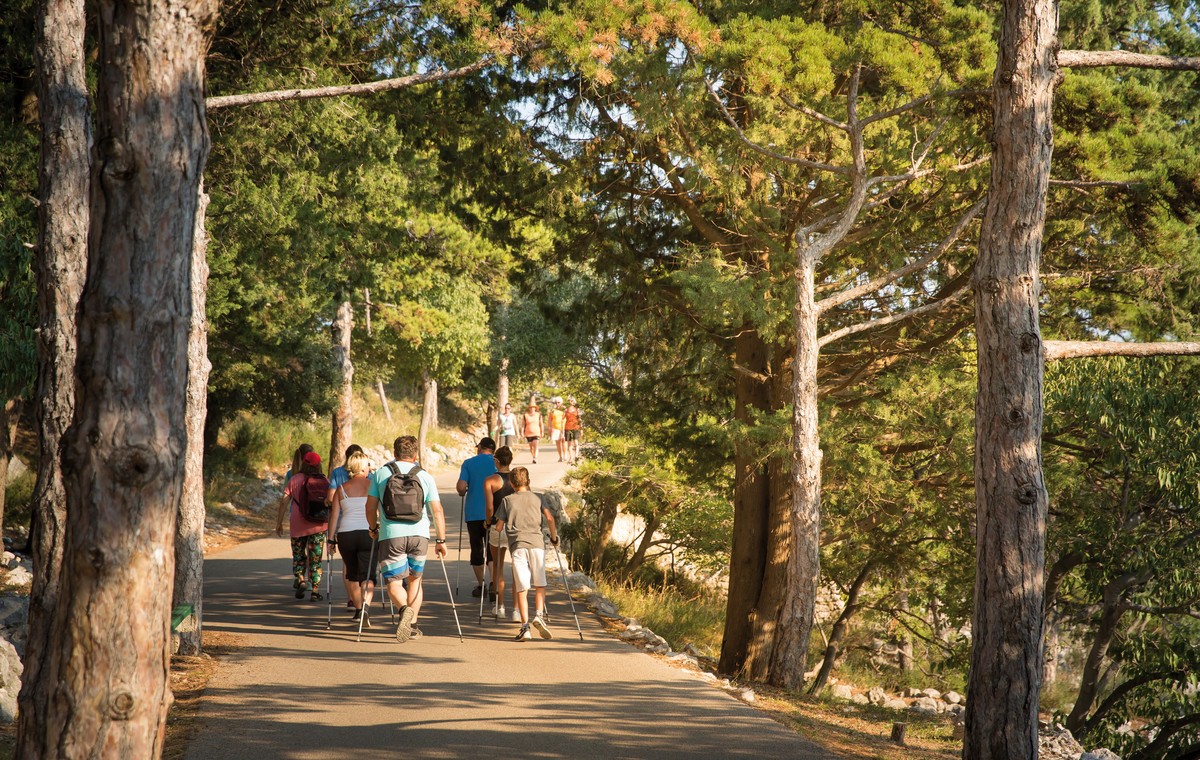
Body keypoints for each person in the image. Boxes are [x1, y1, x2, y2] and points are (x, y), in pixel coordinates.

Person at [366, 435, 447, 642]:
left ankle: (403, 610)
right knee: (415, 580)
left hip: (391, 534)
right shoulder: (424, 475)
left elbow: (370, 506)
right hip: (419, 534)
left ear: (395, 453)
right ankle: (411, 625)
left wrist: (373, 526)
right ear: (416, 454)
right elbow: (437, 511)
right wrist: (441, 540)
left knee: (394, 581)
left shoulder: (382, 473)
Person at [493, 466, 558, 641]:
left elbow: (498, 527)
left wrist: (500, 524)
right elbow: (550, 518)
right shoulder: (538, 498)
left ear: (511, 484)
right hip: (537, 544)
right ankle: (539, 615)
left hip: (518, 546)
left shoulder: (507, 500)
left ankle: (525, 628)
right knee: (540, 584)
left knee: (522, 587)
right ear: (528, 481)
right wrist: (554, 537)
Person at [327, 451, 376, 625]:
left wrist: (331, 539)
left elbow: (334, 516)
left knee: (352, 575)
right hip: (368, 533)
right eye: (368, 465)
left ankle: (358, 609)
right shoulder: (373, 486)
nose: (370, 468)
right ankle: (366, 609)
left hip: (346, 534)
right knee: (368, 576)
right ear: (363, 467)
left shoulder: (341, 489)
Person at [275, 448, 329, 601]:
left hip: (298, 524)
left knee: (298, 555)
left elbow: (284, 501)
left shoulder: (294, 479)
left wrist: (279, 522)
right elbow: (329, 502)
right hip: (318, 525)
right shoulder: (324, 480)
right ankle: (315, 590)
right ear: (318, 465)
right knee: (316, 558)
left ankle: (301, 580)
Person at [456, 437, 498, 598]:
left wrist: (463, 490)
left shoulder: (468, 463)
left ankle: (482, 585)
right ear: (493, 449)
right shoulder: (497, 462)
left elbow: (461, 487)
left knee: (477, 548)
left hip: (473, 513)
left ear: (480, 447)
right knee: (492, 548)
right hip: (494, 513)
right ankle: (494, 583)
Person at [483, 446, 516, 620]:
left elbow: (489, 507)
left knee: (498, 566)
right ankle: (517, 610)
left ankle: (500, 606)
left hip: (497, 527)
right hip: (515, 528)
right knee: (518, 568)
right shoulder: (518, 480)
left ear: (496, 461)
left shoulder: (490, 480)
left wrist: (487, 522)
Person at [564, 398, 582, 464]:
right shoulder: (566, 410)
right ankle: (571, 457)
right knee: (569, 443)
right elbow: (562, 418)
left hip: (575, 427)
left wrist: (581, 428)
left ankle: (576, 456)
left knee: (576, 442)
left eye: (573, 401)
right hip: (568, 427)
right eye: (570, 401)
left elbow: (580, 419)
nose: (572, 402)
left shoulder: (577, 410)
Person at [549, 397, 567, 462]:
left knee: (563, 441)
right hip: (555, 428)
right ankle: (560, 456)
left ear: (561, 402)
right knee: (558, 442)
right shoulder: (553, 410)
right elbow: (550, 419)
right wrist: (550, 428)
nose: (557, 404)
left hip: (563, 427)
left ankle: (565, 455)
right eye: (556, 402)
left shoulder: (564, 409)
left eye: (558, 402)